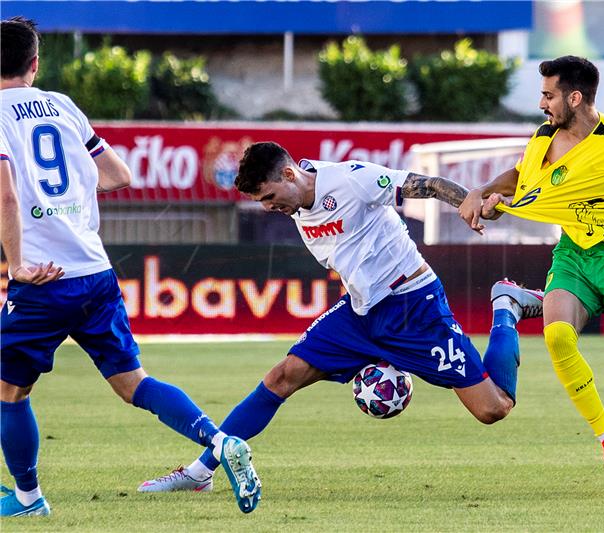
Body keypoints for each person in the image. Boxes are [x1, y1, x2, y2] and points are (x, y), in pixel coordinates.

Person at [138, 141, 544, 493]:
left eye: (267, 196)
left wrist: (469, 201)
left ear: (289, 173)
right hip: (360, 315)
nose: (268, 208)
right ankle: (201, 472)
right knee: (282, 377)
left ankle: (506, 306)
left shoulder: (351, 179)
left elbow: (427, 185)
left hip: (414, 309)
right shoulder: (297, 206)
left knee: (494, 409)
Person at [0, 17, 260, 516]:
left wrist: (17, 265)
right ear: (35, 64)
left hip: (44, 279)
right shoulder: (64, 106)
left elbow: (7, 195)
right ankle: (218, 439)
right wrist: (71, 190)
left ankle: (29, 498)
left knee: (10, 390)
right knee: (133, 382)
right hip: (96, 274)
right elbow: (118, 176)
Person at [458, 55, 604, 494]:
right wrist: (484, 193)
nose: (542, 103)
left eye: (548, 95)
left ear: (575, 97)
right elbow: (522, 178)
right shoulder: (543, 137)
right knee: (556, 336)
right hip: (574, 255)